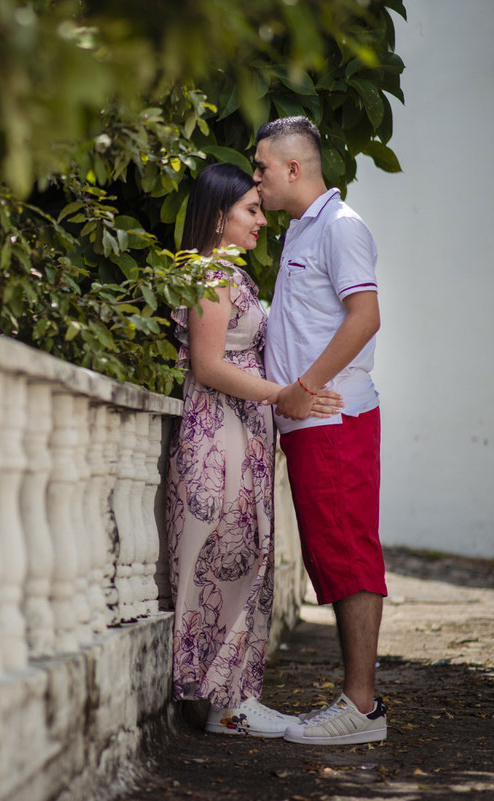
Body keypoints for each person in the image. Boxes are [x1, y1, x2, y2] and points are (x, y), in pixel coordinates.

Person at [165, 162, 344, 737]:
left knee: (244, 558)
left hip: (244, 435)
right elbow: (209, 365)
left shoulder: (227, 274)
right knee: (225, 559)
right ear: (218, 216)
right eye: (250, 209)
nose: (261, 220)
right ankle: (225, 701)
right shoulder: (210, 273)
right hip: (219, 436)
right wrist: (283, 396)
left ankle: (235, 696)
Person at [252, 116, 388, 745]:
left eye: (262, 168)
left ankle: (360, 709)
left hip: (333, 417)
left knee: (349, 555)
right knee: (330, 556)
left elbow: (366, 318)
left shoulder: (340, 227)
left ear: (294, 169)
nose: (257, 178)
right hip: (311, 423)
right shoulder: (302, 231)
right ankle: (354, 702)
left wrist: (303, 390)